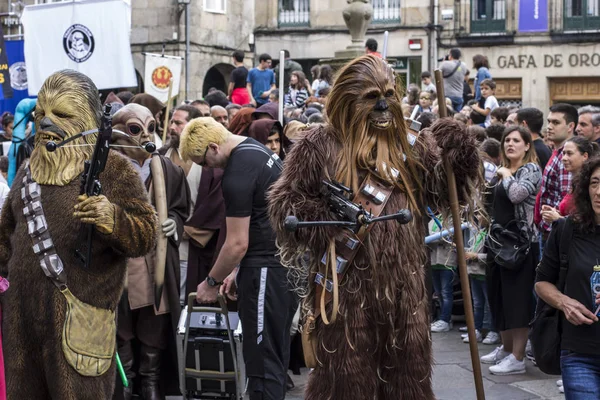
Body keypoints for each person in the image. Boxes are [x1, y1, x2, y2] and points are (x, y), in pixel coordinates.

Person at [268, 55, 482, 400]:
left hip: (406, 289)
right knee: (346, 380)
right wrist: (328, 220)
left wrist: (458, 151)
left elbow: (447, 191)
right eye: (371, 96)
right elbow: (285, 205)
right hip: (346, 288)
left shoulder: (412, 144)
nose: (383, 105)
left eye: (389, 94)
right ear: (348, 100)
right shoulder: (319, 144)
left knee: (407, 378)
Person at [0, 70, 157, 398]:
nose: (46, 122)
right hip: (22, 328)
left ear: (86, 118)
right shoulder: (29, 171)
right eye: (42, 113)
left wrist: (111, 217)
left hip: (80, 325)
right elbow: (5, 238)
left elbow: (145, 234)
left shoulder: (112, 169)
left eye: (61, 114)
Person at [179, 117, 298, 400]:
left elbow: (236, 243)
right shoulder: (256, 149)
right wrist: (236, 271)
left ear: (212, 147)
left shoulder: (237, 173)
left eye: (204, 162)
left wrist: (210, 282)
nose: (208, 168)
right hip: (278, 267)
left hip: (267, 271)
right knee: (275, 359)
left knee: (262, 362)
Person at [111, 104, 190, 400]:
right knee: (121, 330)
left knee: (154, 328)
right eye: (135, 128)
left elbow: (182, 207)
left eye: (151, 127)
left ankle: (151, 384)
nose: (145, 135)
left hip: (156, 263)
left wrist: (175, 223)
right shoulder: (102, 168)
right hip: (119, 266)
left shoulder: (168, 168)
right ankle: (126, 386)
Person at [535, 157, 600, 399]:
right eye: (594, 183)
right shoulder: (566, 229)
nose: (599, 191)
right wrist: (564, 302)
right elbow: (542, 282)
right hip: (579, 353)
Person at [480, 126, 542, 375]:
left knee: (517, 301)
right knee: (498, 298)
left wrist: (505, 175)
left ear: (527, 145)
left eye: (516, 140)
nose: (510, 144)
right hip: (497, 242)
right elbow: (487, 200)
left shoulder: (531, 170)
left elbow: (517, 194)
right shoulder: (500, 171)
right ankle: (505, 349)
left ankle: (517, 357)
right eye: (507, 140)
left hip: (519, 244)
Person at [161, 104, 226, 304]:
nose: (172, 126)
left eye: (178, 122)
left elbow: (214, 206)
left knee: (184, 301)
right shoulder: (160, 156)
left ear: (192, 127)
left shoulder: (209, 165)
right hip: (160, 242)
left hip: (190, 247)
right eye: (172, 121)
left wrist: (184, 229)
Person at [537, 103, 578, 242]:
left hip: (557, 232)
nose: (549, 127)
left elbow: (566, 199)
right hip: (550, 230)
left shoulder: (567, 156)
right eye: (548, 121)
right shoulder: (557, 151)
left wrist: (555, 223)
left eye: (556, 122)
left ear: (570, 126)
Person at [541, 137, 599, 225]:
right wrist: (554, 212)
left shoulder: (590, 185)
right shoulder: (575, 183)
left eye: (569, 154)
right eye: (563, 153)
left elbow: (587, 221)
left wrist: (559, 219)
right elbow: (571, 215)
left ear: (585, 156)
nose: (564, 158)